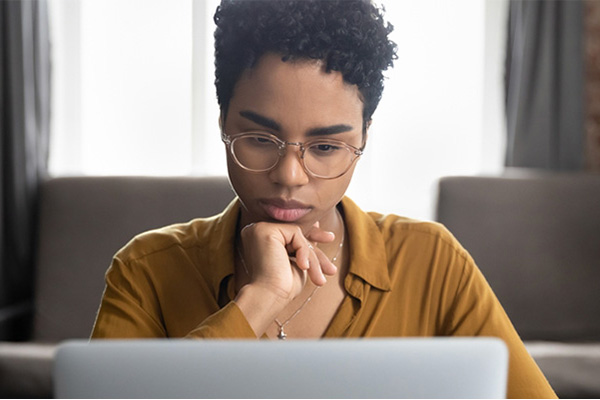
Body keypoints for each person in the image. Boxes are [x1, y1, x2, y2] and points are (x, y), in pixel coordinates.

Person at [91, 0, 556, 398]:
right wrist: (259, 300)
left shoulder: (432, 262)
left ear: (365, 137)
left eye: (327, 147)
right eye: (258, 137)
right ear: (223, 122)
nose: (290, 176)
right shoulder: (146, 270)